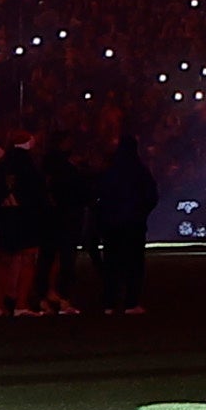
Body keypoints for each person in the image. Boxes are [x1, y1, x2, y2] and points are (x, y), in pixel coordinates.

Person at [82, 132, 155, 314]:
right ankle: (131, 302)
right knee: (134, 264)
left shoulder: (109, 171)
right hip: (133, 225)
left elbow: (97, 195)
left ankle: (110, 302)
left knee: (112, 264)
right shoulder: (140, 170)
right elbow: (151, 196)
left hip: (112, 225)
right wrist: (141, 212)